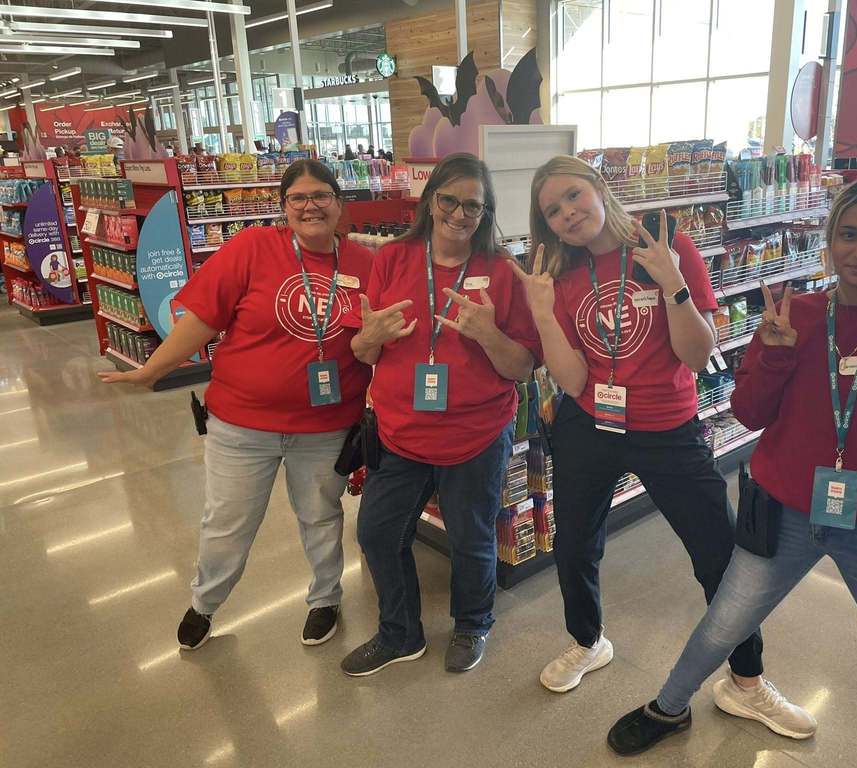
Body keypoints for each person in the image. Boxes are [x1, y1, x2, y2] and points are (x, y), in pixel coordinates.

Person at [607, 177, 857, 766]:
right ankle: (668, 708)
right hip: (783, 512)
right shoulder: (794, 314)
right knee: (723, 622)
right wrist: (773, 353)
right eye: (848, 234)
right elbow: (749, 411)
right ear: (829, 240)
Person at [511, 155, 813, 735]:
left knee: (718, 554)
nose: (568, 214)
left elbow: (698, 356)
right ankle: (588, 641)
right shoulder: (561, 274)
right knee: (573, 544)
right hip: (588, 425)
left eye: (574, 196)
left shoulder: (667, 243)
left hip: (667, 430)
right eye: (552, 210)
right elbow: (572, 382)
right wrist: (545, 315)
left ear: (600, 188)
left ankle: (746, 682)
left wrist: (671, 280)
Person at [100, 159, 376, 651]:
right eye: (298, 197)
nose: (310, 205)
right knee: (228, 522)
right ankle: (205, 603)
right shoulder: (252, 248)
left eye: (321, 195)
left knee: (320, 516)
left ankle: (325, 599)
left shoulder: (366, 265)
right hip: (242, 425)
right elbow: (201, 320)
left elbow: (380, 340)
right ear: (284, 207)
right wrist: (152, 370)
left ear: (339, 204)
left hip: (327, 424)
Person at [339, 153, 541, 677]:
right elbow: (364, 350)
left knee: (472, 540)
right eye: (448, 199)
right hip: (401, 431)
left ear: (486, 211)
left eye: (472, 205)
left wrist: (487, 334)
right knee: (378, 534)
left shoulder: (504, 271)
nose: (458, 213)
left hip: (476, 434)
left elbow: (521, 368)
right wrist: (371, 339)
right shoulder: (392, 259)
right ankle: (399, 634)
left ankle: (473, 622)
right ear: (430, 201)